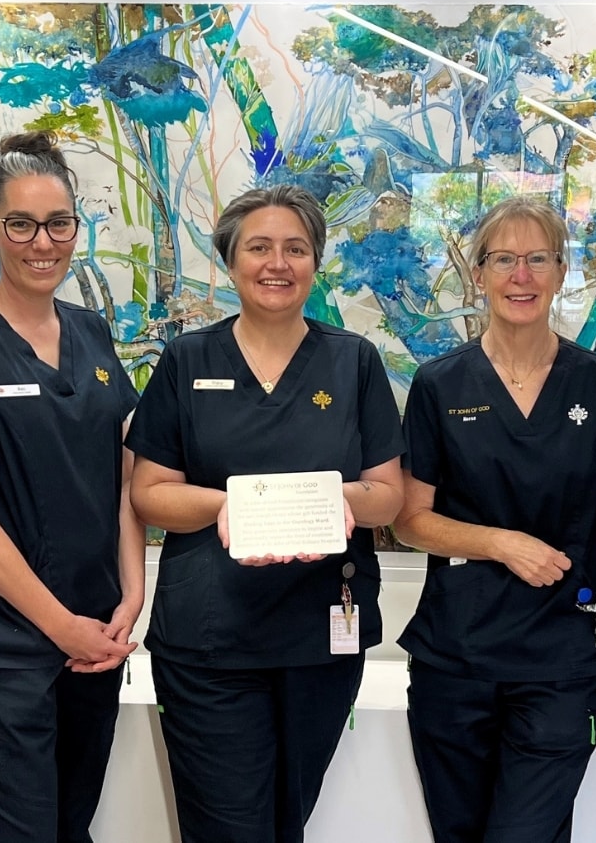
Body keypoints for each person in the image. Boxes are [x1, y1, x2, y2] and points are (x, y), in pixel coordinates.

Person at [128, 185, 406, 843]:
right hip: (210, 641)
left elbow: (387, 494)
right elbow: (150, 492)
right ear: (230, 261)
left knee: (287, 821)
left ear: (315, 262)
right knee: (228, 829)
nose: (277, 263)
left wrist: (323, 503)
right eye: (258, 247)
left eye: (295, 249)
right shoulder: (188, 359)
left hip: (321, 636)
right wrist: (235, 507)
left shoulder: (353, 361)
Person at [0, 132, 143, 843]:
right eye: (21, 225)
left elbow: (123, 475)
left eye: (59, 224)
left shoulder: (93, 332)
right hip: (3, 645)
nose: (43, 243)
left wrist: (132, 596)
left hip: (96, 635)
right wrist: (60, 624)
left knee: (72, 827)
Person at [393, 197, 596, 843]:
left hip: (563, 657)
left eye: (537, 259)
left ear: (561, 272)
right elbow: (411, 520)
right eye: (503, 260)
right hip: (457, 656)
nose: (520, 276)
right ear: (478, 274)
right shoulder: (440, 385)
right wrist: (501, 544)